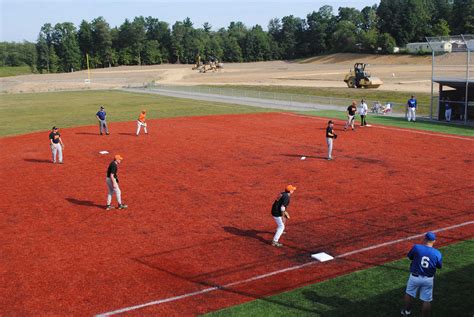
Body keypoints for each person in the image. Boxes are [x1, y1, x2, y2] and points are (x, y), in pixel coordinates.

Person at [401, 231, 442, 317]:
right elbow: (439, 266)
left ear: (425, 239)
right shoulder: (437, 253)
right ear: (434, 241)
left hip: (415, 277)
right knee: (426, 300)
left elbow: (410, 257)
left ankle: (407, 312)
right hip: (428, 279)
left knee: (409, 294)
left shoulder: (417, 248)